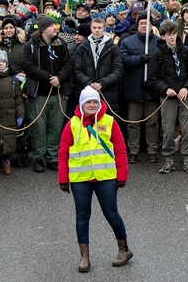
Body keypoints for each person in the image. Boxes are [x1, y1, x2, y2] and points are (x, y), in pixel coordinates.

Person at [58, 86, 131, 273]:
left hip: (105, 177)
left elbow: (121, 150)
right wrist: (63, 179)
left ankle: (124, 250)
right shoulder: (72, 124)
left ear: (99, 104)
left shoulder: (109, 121)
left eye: (95, 102)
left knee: (112, 214)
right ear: (81, 104)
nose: (91, 105)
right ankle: (84, 257)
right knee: (82, 217)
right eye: (88, 102)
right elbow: (63, 154)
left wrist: (122, 175)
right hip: (80, 179)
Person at [22, 15, 74, 173]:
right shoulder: (31, 45)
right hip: (38, 93)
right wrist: (47, 77)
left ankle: (52, 157)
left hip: (58, 93)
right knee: (39, 127)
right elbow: (27, 65)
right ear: (44, 29)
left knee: (55, 127)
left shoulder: (61, 43)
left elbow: (69, 63)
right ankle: (39, 157)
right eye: (52, 26)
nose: (55, 28)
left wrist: (60, 78)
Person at [148, 20, 188, 174]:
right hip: (168, 96)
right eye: (169, 34)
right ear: (162, 36)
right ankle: (168, 159)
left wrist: (187, 87)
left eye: (174, 34)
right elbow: (153, 77)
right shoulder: (157, 54)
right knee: (168, 128)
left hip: (184, 94)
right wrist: (166, 89)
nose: (172, 37)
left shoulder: (185, 51)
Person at [118, 15, 160, 163]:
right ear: (137, 25)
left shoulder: (158, 42)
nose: (144, 26)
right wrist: (140, 59)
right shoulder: (127, 41)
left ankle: (152, 150)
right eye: (141, 23)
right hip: (134, 87)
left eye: (146, 23)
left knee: (152, 122)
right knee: (133, 122)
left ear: (151, 26)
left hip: (152, 88)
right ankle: (133, 150)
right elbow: (122, 60)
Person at [74, 17, 123, 122]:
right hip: (87, 91)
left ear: (104, 28)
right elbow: (77, 70)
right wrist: (89, 84)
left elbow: (118, 71)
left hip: (108, 93)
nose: (97, 30)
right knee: (87, 125)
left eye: (99, 28)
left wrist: (102, 84)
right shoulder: (82, 48)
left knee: (106, 125)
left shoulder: (113, 48)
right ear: (91, 28)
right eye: (94, 27)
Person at [0, 50, 24, 175]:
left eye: (3, 61)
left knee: (9, 137)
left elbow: (18, 99)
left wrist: (20, 114)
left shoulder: (14, 80)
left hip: (10, 114)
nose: (1, 64)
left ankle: (7, 161)